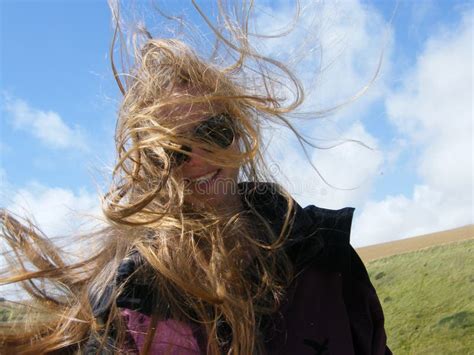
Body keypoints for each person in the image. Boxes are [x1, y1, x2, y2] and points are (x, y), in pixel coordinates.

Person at [0, 2, 391, 354]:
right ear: (151, 166)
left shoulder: (327, 256)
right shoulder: (128, 305)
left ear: (238, 131)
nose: (197, 160)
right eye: (172, 150)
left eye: (212, 132)